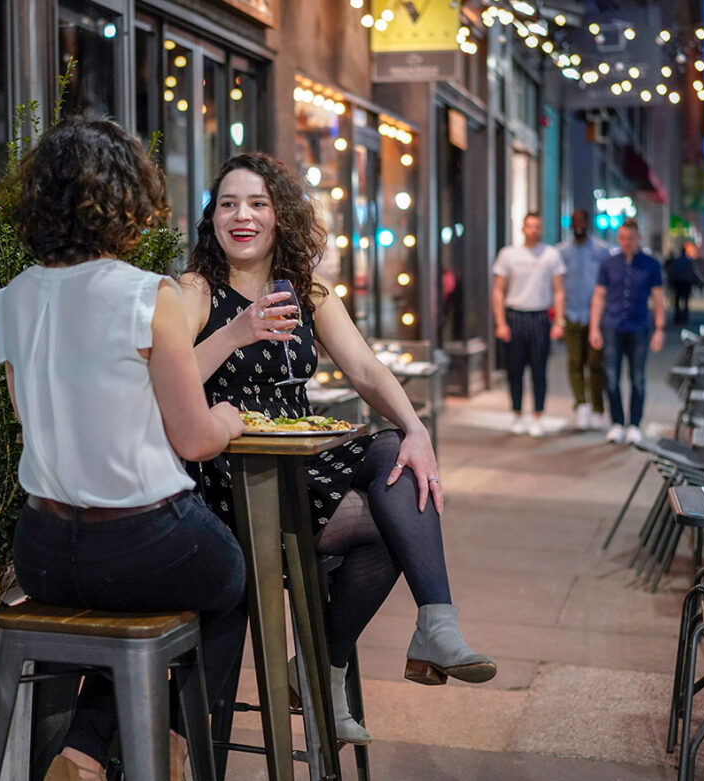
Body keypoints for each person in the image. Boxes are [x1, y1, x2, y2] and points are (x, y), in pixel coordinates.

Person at [178, 152, 496, 746]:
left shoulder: (307, 290)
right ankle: (326, 666)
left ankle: (431, 623)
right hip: (229, 474)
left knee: (397, 458)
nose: (241, 216)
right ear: (212, 218)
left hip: (299, 464)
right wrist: (236, 332)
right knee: (385, 519)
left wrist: (419, 430)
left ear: (280, 216)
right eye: (227, 204)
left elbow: (366, 371)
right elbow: (171, 384)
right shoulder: (196, 290)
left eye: (257, 203)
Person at [0, 116, 248, 781]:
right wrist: (230, 418)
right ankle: (172, 740)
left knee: (136, 595)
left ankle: (81, 749)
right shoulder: (146, 294)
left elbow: (29, 420)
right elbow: (192, 436)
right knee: (227, 575)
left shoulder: (12, 297)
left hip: (42, 549)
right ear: (128, 198)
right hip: (139, 540)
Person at [588, 217, 666, 445]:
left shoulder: (651, 264)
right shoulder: (608, 264)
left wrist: (659, 328)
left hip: (639, 327)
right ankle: (616, 423)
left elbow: (659, 299)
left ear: (638, 238)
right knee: (611, 377)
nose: (626, 242)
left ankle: (634, 424)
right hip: (612, 326)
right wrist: (594, 327)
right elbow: (599, 297)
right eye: (622, 238)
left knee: (637, 378)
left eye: (630, 238)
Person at [491, 212, 566, 437]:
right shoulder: (508, 255)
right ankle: (516, 414)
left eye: (537, 226)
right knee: (514, 370)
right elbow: (498, 290)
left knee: (539, 370)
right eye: (530, 226)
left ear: (541, 229)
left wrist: (559, 321)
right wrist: (500, 322)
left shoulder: (551, 255)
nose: (533, 230)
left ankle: (538, 416)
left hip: (540, 317)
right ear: (523, 228)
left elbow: (559, 291)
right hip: (515, 317)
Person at [557, 208, 610, 430]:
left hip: (595, 317)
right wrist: (558, 317)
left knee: (596, 364)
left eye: (582, 221)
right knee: (574, 363)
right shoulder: (561, 251)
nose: (579, 225)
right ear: (571, 224)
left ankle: (598, 407)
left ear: (588, 223)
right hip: (572, 314)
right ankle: (581, 405)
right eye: (575, 221)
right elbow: (558, 286)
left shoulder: (601, 250)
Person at [666, 240, 698, 325]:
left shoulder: (677, 261)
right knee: (686, 302)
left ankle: (677, 318)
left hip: (678, 283)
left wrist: (671, 283)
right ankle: (685, 318)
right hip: (686, 283)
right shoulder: (688, 261)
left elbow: (672, 272)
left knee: (677, 302)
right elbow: (693, 272)